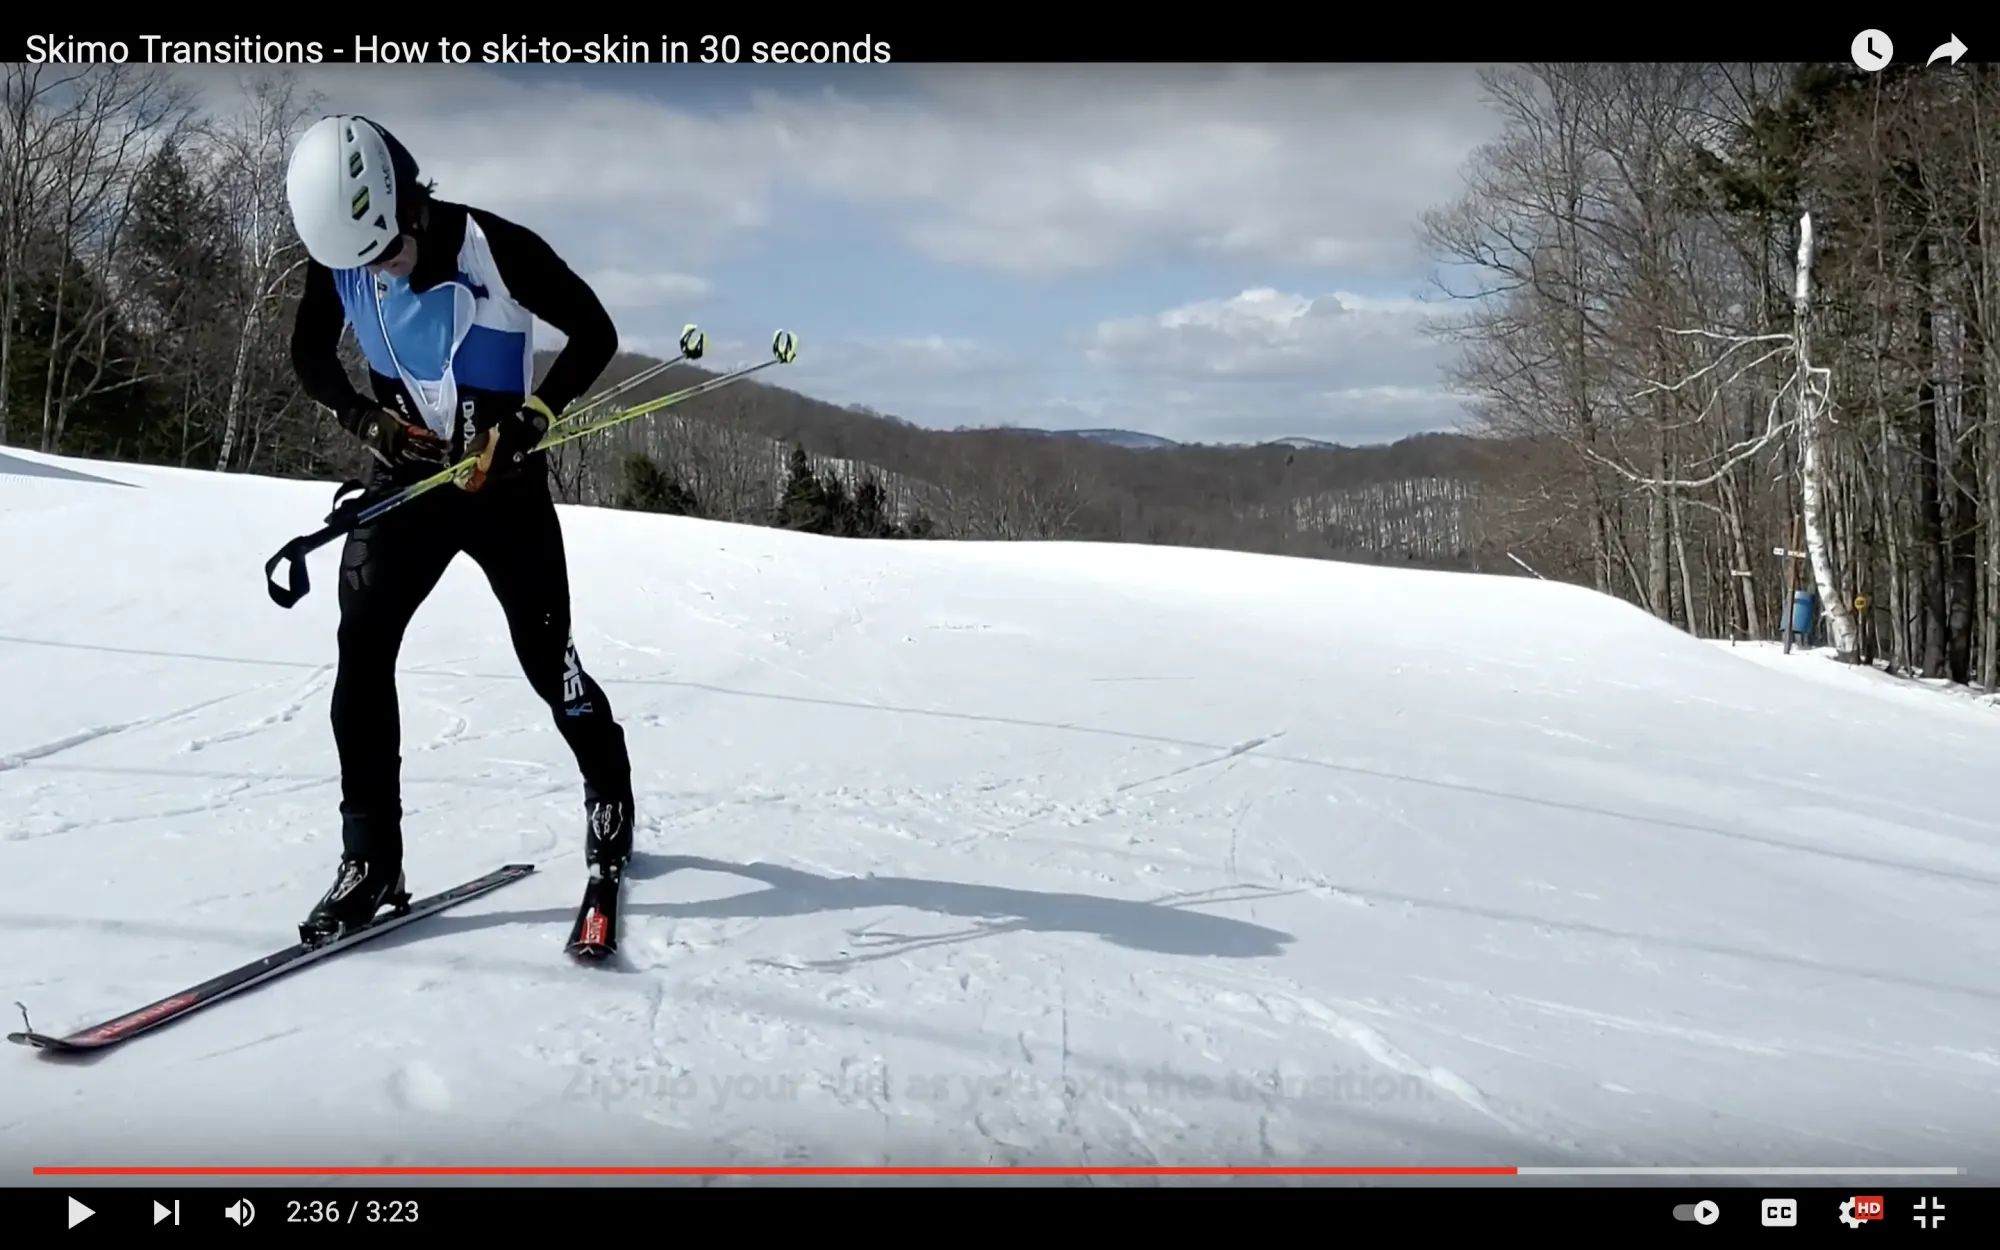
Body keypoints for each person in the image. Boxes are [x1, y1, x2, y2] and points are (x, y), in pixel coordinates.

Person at [282, 113, 634, 943]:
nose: (379, 271)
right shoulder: (339, 254)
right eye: (362, 262)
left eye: (389, 251)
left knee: (548, 659)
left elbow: (596, 332)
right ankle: (370, 859)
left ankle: (608, 788)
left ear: (410, 203)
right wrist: (366, 420)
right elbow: (311, 357)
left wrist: (530, 420)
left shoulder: (495, 246)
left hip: (503, 489)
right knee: (362, 651)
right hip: (407, 484)